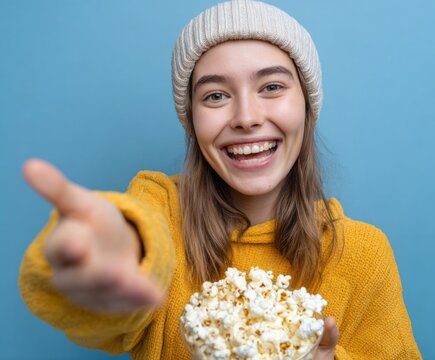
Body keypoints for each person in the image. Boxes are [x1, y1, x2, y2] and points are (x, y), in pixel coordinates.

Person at [19, 0, 421, 359]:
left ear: (306, 106)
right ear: (192, 120)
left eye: (272, 86)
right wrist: (110, 252)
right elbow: (133, 246)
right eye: (215, 95)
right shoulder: (159, 212)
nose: (246, 117)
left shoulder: (362, 255)